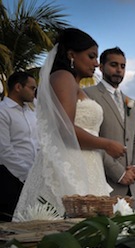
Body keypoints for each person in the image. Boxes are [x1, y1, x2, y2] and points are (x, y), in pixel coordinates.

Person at [13, 28, 126, 220]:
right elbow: (65, 130)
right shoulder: (63, 77)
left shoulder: (73, 83)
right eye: (91, 56)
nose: (96, 63)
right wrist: (106, 144)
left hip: (87, 164)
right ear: (72, 54)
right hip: (69, 164)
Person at [84, 47, 135, 199]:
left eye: (123, 66)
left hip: (131, 187)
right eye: (114, 65)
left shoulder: (130, 102)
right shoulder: (88, 95)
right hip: (103, 182)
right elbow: (90, 139)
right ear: (101, 67)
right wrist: (119, 172)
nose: (119, 70)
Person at [0, 72, 38, 221]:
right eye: (32, 88)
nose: (34, 92)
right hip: (10, 178)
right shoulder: (3, 111)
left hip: (33, 178)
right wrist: (26, 174)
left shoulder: (31, 113)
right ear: (18, 87)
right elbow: (4, 150)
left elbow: (37, 143)